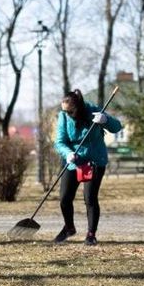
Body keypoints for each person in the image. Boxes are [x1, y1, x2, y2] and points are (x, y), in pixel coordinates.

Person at [53, 89, 122, 245]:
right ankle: (69, 228)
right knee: (64, 198)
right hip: (74, 160)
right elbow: (60, 142)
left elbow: (117, 127)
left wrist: (105, 120)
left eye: (69, 111)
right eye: (64, 111)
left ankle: (91, 234)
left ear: (77, 107)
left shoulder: (93, 111)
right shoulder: (63, 116)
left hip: (95, 160)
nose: (67, 114)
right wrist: (67, 153)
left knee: (90, 198)